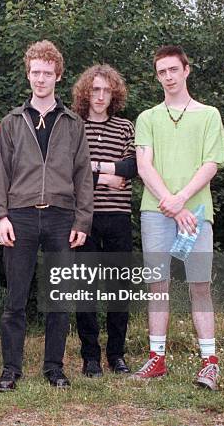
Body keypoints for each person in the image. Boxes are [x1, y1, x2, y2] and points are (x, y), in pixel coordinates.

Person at [0, 40, 94, 391]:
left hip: (61, 218)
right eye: (35, 72)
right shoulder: (11, 122)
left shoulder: (72, 123)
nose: (41, 79)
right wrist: (1, 216)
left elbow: (83, 174)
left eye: (47, 73)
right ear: (28, 74)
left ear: (58, 76)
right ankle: (11, 369)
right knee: (15, 299)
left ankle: (54, 368)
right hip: (19, 217)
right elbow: (0, 174)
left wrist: (83, 220)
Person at [133, 45, 224, 391]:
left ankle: (209, 363)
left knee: (199, 286)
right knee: (158, 285)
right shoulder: (148, 118)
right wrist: (170, 203)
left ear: (186, 70)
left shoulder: (208, 115)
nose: (168, 77)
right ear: (157, 75)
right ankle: (157, 359)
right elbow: (144, 165)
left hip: (196, 212)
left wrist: (182, 201)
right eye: (162, 72)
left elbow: (211, 163)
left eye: (174, 69)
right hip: (155, 211)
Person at [71, 64, 136, 377]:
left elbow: (130, 170)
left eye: (106, 90)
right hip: (84, 218)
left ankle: (116, 355)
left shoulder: (125, 127)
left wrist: (94, 169)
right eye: (94, 89)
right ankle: (90, 357)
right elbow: (72, 173)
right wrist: (108, 171)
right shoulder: (74, 126)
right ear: (86, 92)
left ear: (114, 94)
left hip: (119, 218)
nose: (100, 96)